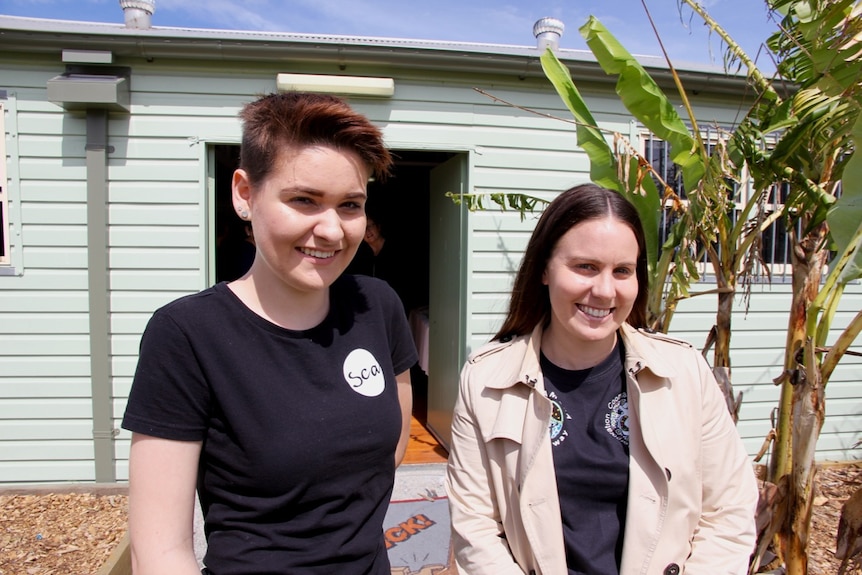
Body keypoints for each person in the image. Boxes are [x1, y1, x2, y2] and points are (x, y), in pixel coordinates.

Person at [122, 92, 417, 575]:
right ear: (245, 193)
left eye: (350, 205)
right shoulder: (187, 334)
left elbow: (393, 446)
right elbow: (158, 551)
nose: (331, 230)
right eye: (304, 199)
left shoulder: (377, 306)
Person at [445, 183, 758, 575]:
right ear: (544, 268)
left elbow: (728, 511)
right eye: (585, 267)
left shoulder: (685, 372)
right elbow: (476, 526)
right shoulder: (486, 380)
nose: (605, 290)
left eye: (622, 271)